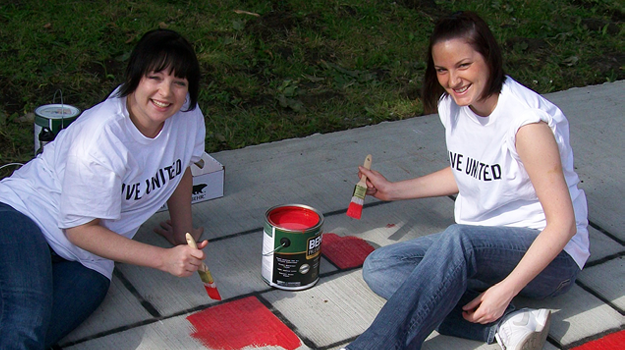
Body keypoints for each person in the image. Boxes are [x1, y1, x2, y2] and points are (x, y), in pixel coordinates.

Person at [342, 11, 589, 350]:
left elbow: (563, 226)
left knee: (458, 241)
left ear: (488, 57)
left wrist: (505, 290)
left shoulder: (527, 125)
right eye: (442, 70)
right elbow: (469, 170)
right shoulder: (454, 106)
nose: (452, 80)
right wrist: (393, 190)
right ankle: (510, 324)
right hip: (478, 248)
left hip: (551, 257)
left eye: (463, 65)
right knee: (382, 266)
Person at [0, 29, 209, 349]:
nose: (166, 93)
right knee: (24, 324)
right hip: (27, 217)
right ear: (135, 77)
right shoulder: (101, 137)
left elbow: (180, 169)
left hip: (90, 258)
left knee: (36, 335)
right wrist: (163, 259)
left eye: (179, 82)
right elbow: (80, 230)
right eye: (155, 77)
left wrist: (183, 235)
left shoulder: (187, 115)